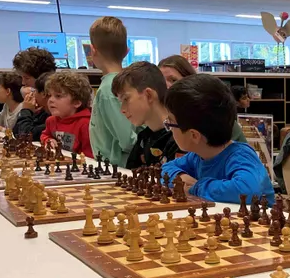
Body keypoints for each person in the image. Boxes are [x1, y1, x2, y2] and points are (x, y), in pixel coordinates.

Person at [160, 74, 274, 204]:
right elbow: (165, 169)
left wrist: (197, 187)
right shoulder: (197, 156)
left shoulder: (241, 155)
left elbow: (248, 190)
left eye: (170, 123)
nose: (168, 128)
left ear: (194, 135)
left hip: (259, 222)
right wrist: (180, 177)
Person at [158, 54, 248, 144]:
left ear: (189, 81)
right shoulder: (162, 112)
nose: (166, 86)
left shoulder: (209, 112)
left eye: (173, 80)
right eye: (161, 81)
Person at [87, 16, 138, 166]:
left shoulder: (109, 90)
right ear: (127, 51)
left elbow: (127, 140)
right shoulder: (124, 83)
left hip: (117, 168)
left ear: (92, 51)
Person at [112, 61, 179, 168]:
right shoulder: (144, 138)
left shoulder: (179, 138)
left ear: (149, 95)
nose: (122, 110)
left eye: (126, 99)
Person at [40, 71, 93, 158]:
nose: (50, 100)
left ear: (76, 102)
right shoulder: (51, 120)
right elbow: (44, 135)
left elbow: (89, 156)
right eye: (50, 95)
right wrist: (48, 140)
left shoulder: (85, 124)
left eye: (58, 96)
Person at [13, 71, 52, 141]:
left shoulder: (53, 118)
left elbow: (25, 136)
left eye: (34, 91)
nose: (33, 94)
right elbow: (16, 131)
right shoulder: (41, 112)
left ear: (43, 94)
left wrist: (26, 110)